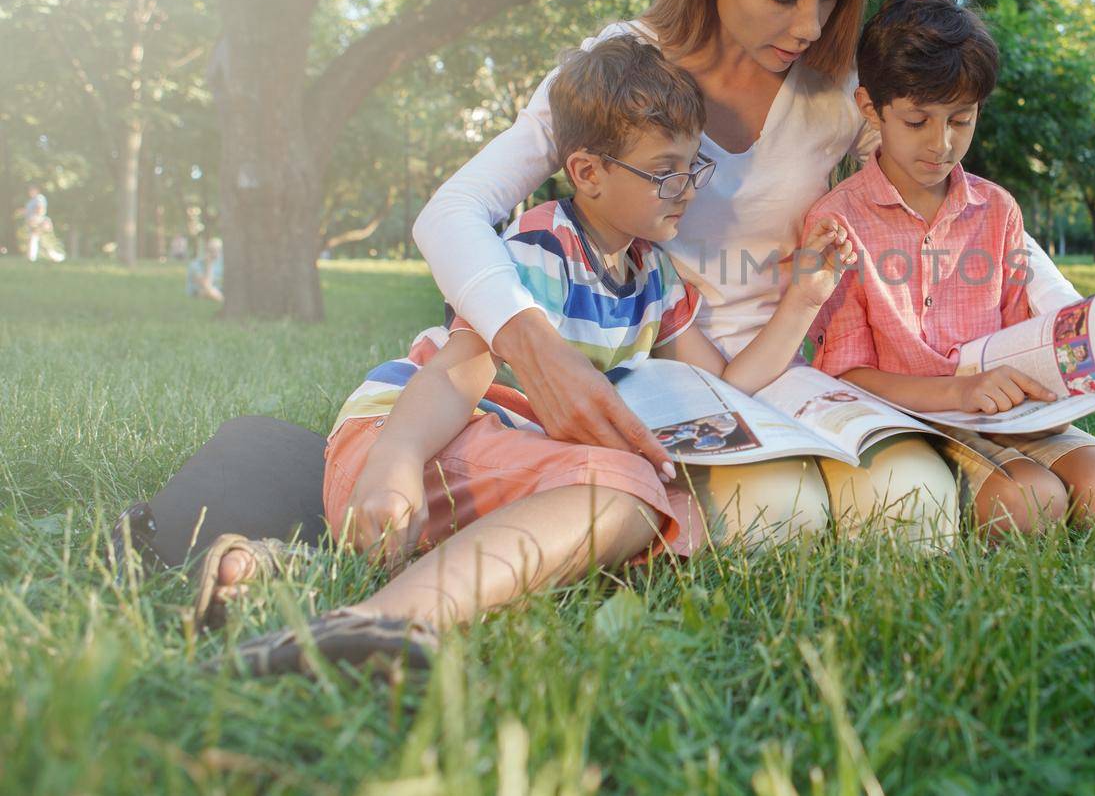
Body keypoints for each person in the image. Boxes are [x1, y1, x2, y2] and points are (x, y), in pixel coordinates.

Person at [176, 0, 1084, 609]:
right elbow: (455, 210)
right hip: (648, 372)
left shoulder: (836, 94)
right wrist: (539, 351)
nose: (809, 24)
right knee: (782, 524)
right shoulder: (621, 74)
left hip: (772, 375)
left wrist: (1068, 318)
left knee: (913, 513)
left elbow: (948, 183)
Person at [211, 37, 855, 674]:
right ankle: (378, 624)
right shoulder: (539, 248)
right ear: (588, 173)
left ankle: (296, 571)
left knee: (672, 506)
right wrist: (396, 459)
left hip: (488, 472)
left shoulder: (653, 274)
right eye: (666, 171)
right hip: (409, 439)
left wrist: (801, 302)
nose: (686, 189)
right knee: (625, 489)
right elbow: (453, 379)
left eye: (693, 167)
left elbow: (725, 385)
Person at [803, 0, 1095, 536]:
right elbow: (848, 374)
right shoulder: (838, 221)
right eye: (918, 121)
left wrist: (1077, 351)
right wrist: (958, 392)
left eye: (961, 120)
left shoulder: (997, 210)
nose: (941, 144)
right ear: (870, 108)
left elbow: (1021, 334)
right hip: (911, 420)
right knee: (1031, 504)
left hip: (1006, 411)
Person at [22, 185, 65, 263]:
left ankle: (56, 257)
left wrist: (35, 219)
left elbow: (40, 209)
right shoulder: (31, 201)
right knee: (35, 240)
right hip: (33, 222)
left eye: (32, 190)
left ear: (37, 190)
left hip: (39, 222)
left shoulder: (39, 198)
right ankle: (32, 257)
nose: (30, 192)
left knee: (43, 241)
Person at [186, 238, 224, 303]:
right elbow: (206, 285)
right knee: (208, 291)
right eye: (211, 250)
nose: (215, 253)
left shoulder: (221, 262)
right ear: (206, 251)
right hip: (199, 291)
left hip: (218, 289)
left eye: (218, 250)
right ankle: (225, 301)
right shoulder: (195, 265)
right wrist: (209, 265)